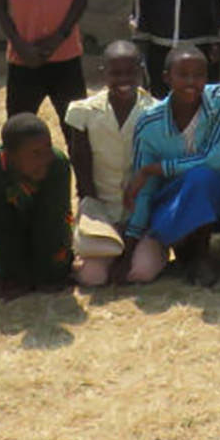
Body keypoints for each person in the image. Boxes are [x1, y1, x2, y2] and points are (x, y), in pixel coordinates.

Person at [124, 46, 220, 288]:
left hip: (216, 197)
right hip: (173, 203)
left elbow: (215, 159)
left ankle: (201, 254)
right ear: (166, 77)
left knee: (202, 178)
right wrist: (131, 242)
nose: (191, 82)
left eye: (199, 75)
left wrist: (157, 168)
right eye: (182, 74)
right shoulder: (149, 123)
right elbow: (144, 189)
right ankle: (184, 246)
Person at [64, 41, 159, 288]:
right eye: (115, 73)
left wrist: (132, 230)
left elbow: (155, 173)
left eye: (131, 72)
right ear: (102, 72)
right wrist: (98, 219)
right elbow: (81, 169)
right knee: (92, 278)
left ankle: (136, 252)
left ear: (141, 71)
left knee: (141, 271)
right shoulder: (83, 112)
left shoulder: (155, 112)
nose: (124, 79)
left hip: (141, 214)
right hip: (101, 211)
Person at [0, 114, 74, 297]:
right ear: (10, 156)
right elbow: (1, 227)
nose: (45, 159)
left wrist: (45, 277)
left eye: (48, 149)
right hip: (7, 232)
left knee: (57, 267)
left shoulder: (57, 164)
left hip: (46, 230)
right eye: (36, 154)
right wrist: (20, 279)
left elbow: (52, 220)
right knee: (1, 269)